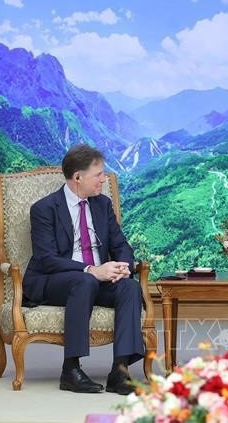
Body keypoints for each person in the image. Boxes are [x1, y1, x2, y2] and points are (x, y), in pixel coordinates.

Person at [23, 144, 144, 395]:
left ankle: (119, 372)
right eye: (98, 175)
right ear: (78, 177)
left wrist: (123, 266)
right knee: (85, 281)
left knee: (130, 287)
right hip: (53, 281)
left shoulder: (102, 204)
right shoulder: (45, 209)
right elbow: (47, 259)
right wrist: (91, 269)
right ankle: (71, 370)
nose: (104, 179)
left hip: (94, 280)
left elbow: (120, 244)